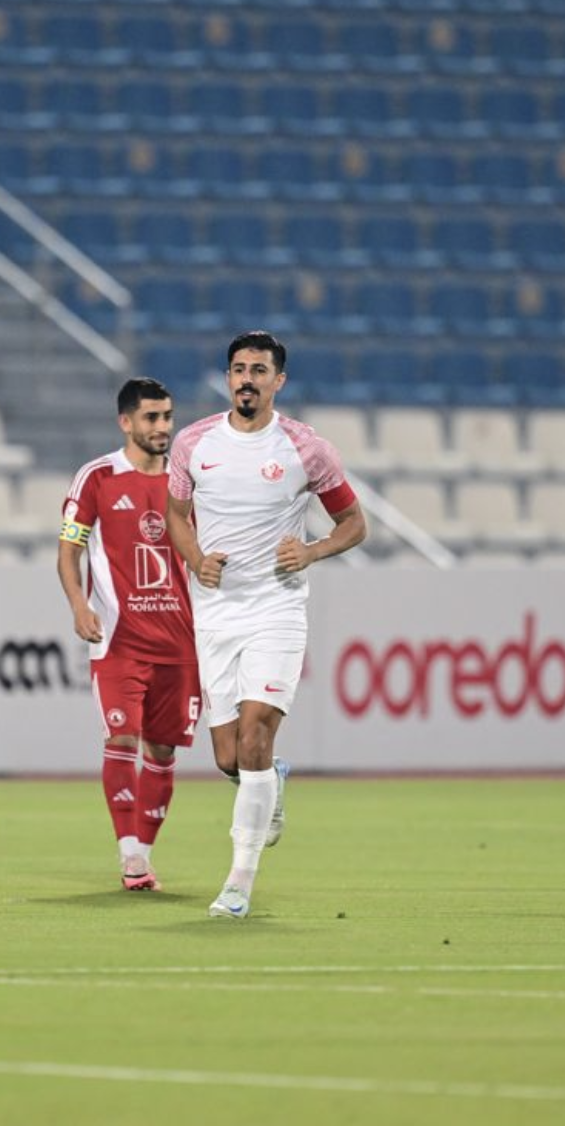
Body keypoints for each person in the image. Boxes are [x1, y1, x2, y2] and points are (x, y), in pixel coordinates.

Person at [166, 330, 366, 919]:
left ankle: (239, 881)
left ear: (279, 381)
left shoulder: (307, 449)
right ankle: (269, 780)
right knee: (230, 758)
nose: (246, 379)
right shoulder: (193, 443)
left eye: (258, 370)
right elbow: (177, 515)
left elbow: (354, 523)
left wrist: (313, 550)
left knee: (255, 733)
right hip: (216, 612)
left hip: (276, 608)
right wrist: (196, 558)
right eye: (237, 369)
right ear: (227, 378)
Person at [58, 377, 201, 892]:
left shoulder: (190, 483)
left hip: (181, 645)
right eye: (151, 418)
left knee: (162, 753)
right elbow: (69, 551)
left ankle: (143, 852)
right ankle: (130, 858)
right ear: (126, 422)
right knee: (120, 736)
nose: (162, 427)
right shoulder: (96, 477)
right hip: (118, 641)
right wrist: (79, 605)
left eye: (167, 417)